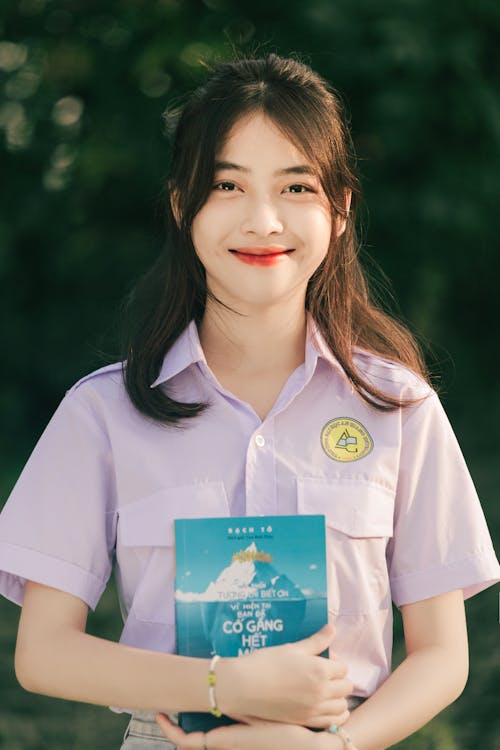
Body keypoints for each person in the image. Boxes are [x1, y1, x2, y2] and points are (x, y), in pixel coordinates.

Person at [0, 53, 498, 750]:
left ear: (341, 210)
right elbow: (44, 654)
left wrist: (336, 746)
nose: (263, 220)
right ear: (182, 206)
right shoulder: (102, 413)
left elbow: (444, 656)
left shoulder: (399, 408)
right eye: (227, 185)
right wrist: (219, 686)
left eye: (296, 187)